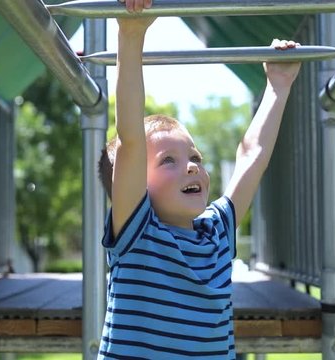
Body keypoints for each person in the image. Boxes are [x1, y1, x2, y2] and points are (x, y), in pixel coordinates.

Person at [97, 1, 301, 358]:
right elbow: (131, 137)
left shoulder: (217, 232)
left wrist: (278, 87)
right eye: (168, 161)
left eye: (195, 158)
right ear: (132, 183)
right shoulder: (138, 233)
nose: (192, 167)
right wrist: (131, 36)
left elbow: (252, 156)